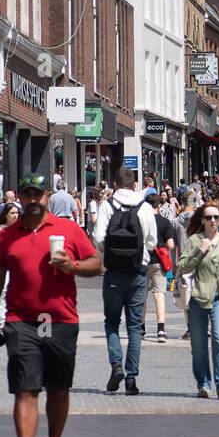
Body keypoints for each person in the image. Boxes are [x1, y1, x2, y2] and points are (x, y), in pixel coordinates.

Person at [0, 174, 101, 437]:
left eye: (39, 194)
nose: (33, 200)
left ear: (48, 196)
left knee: (59, 388)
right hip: (21, 321)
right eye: (27, 194)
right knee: (25, 388)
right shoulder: (7, 236)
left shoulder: (68, 229)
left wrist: (72, 267)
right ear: (19, 197)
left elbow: (96, 263)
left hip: (61, 320)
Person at [92, 168, 158, 395]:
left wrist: (110, 252)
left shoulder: (107, 206)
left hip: (113, 273)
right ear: (134, 184)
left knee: (111, 322)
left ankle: (116, 364)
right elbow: (152, 241)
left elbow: (99, 237)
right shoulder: (146, 207)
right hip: (137, 271)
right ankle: (131, 378)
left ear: (115, 183)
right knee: (134, 328)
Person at [177, 204, 219, 398]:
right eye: (209, 217)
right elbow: (182, 267)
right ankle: (203, 383)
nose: (213, 220)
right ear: (202, 220)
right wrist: (200, 250)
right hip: (198, 297)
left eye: (216, 217)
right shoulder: (194, 240)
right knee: (198, 346)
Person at [144, 193, 175, 343]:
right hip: (158, 263)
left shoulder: (141, 221)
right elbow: (171, 245)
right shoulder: (164, 222)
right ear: (158, 205)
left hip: (143, 261)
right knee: (159, 295)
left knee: (141, 296)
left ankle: (141, 327)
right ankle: (161, 329)